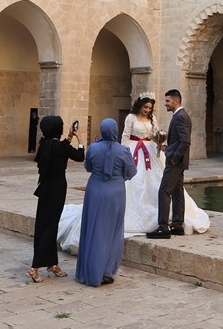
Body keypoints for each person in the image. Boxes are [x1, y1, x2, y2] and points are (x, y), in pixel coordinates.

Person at [55, 93, 209, 252]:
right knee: (139, 183)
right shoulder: (130, 118)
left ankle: (170, 222)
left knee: (163, 186)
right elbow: (125, 136)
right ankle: (167, 223)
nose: (148, 110)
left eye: (150, 108)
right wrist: (123, 154)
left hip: (151, 151)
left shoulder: (153, 118)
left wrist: (158, 139)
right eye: (145, 107)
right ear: (140, 105)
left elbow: (158, 135)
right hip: (134, 149)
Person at [75, 118, 136, 286]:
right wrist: (118, 176)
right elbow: (131, 172)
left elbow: (88, 167)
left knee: (93, 229)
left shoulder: (93, 148)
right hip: (115, 192)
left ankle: (90, 270)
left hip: (94, 190)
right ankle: (107, 271)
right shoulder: (123, 151)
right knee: (113, 232)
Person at [27, 116, 83, 283]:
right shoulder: (58, 147)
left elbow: (59, 147)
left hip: (44, 188)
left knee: (44, 225)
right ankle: (35, 267)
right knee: (51, 227)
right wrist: (79, 139)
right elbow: (80, 156)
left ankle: (52, 263)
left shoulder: (44, 144)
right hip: (57, 188)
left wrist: (69, 137)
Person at [147, 89, 191, 240]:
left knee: (164, 191)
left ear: (176, 101)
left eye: (167, 101)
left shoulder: (179, 117)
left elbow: (186, 141)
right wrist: (169, 147)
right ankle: (178, 225)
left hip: (175, 162)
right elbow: (179, 140)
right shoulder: (180, 115)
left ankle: (163, 227)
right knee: (178, 192)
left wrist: (174, 157)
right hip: (177, 160)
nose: (165, 103)